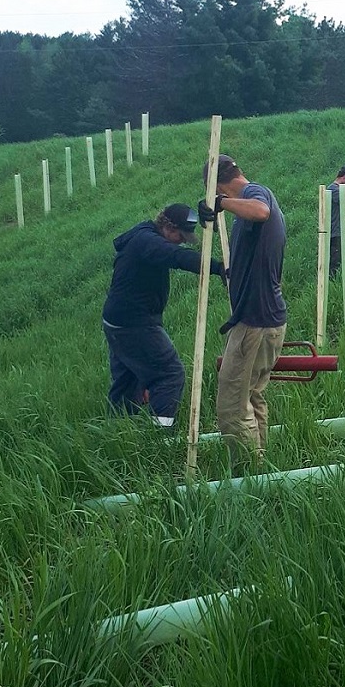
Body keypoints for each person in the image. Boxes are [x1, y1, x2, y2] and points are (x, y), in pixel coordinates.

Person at [101, 203, 226, 428]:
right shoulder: (147, 242)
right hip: (133, 323)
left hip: (118, 320)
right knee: (169, 373)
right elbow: (176, 256)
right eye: (181, 235)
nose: (182, 240)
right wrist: (218, 268)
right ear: (168, 227)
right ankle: (159, 435)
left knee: (127, 381)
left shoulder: (146, 236)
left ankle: (118, 433)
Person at [198, 154, 287, 461]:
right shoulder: (246, 206)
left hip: (254, 321)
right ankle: (261, 463)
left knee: (233, 403)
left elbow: (260, 211)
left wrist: (221, 204)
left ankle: (248, 471)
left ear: (220, 186)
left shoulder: (254, 193)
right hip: (266, 318)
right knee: (252, 395)